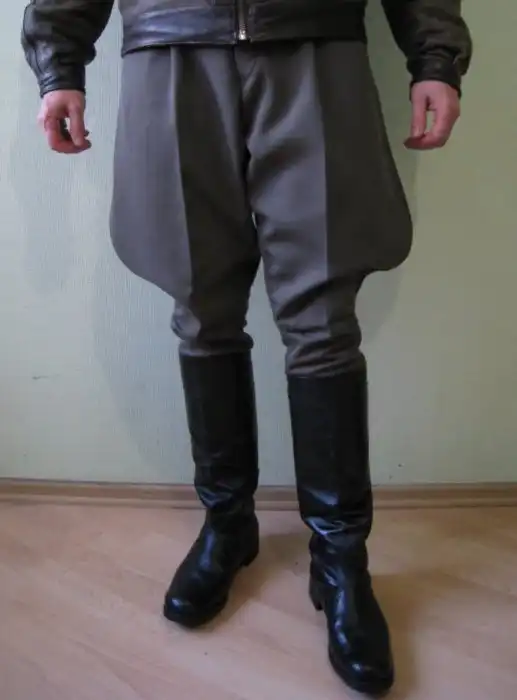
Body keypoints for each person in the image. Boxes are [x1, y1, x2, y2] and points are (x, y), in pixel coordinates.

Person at [22, 0, 472, 695]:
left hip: (315, 44)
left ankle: (340, 559)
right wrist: (59, 64)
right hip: (169, 49)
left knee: (323, 320)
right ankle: (227, 525)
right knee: (200, 308)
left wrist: (435, 56)